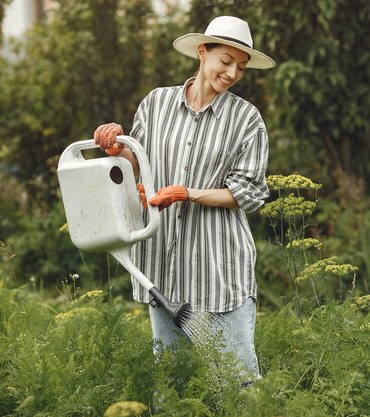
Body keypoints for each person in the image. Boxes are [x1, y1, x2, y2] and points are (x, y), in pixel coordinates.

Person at [93, 15, 275, 380]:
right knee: (172, 383)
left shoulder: (246, 120)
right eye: (226, 61)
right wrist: (115, 146)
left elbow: (249, 192)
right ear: (202, 53)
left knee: (237, 381)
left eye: (240, 67)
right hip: (162, 261)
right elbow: (135, 163)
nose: (232, 73)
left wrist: (189, 193)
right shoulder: (156, 103)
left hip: (217, 264)